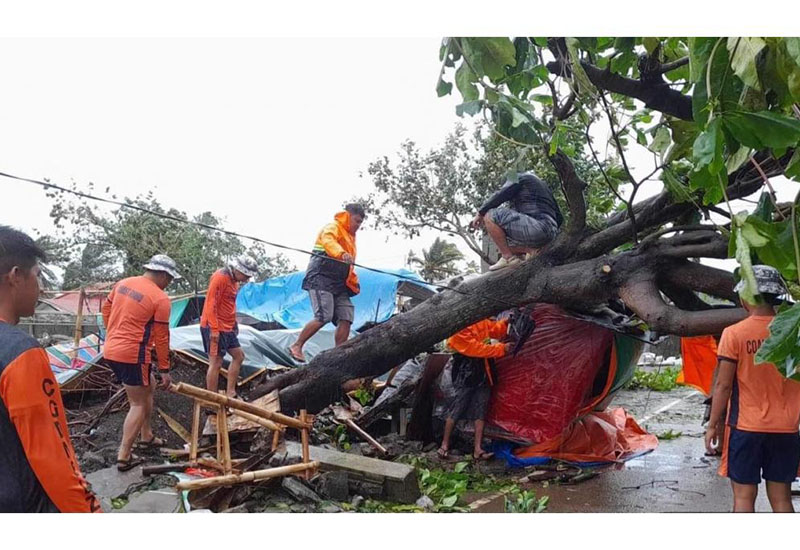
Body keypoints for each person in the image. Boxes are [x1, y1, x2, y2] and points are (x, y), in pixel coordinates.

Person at [0, 225, 101, 512]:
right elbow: (54, 461)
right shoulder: (20, 354)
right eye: (38, 275)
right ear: (15, 276)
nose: (41, 287)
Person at [705, 265, 800, 512]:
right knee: (782, 499)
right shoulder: (794, 333)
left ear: (746, 296)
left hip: (745, 428)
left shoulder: (734, 334)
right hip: (787, 429)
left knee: (744, 498)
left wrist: (713, 425)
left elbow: (723, 385)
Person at [101, 254, 180, 471]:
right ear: (163, 274)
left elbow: (106, 310)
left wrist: (114, 332)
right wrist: (165, 369)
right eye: (170, 279)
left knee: (149, 386)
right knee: (138, 403)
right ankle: (124, 456)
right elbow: (162, 337)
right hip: (134, 354)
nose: (169, 283)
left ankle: (147, 436)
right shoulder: (160, 299)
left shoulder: (123, 284)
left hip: (111, 350)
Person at [289, 204, 365, 363]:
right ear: (348, 216)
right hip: (320, 277)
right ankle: (297, 345)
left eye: (360, 223)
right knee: (324, 315)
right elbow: (328, 241)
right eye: (357, 221)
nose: (358, 226)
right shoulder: (333, 227)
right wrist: (340, 253)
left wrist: (353, 282)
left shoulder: (351, 239)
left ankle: (339, 354)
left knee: (346, 315)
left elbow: (349, 265)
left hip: (339, 284)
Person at [438, 317, 512, 461]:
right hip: (466, 372)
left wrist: (505, 323)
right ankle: (444, 445)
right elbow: (474, 348)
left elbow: (494, 331)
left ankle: (478, 449)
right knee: (457, 407)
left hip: (483, 371)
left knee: (481, 409)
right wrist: (502, 348)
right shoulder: (459, 326)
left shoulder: (480, 320)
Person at [470, 172, 563, 271]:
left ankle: (508, 258)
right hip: (551, 232)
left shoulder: (517, 176)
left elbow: (502, 193)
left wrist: (480, 213)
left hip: (537, 227)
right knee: (502, 241)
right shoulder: (543, 187)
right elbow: (560, 218)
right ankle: (531, 251)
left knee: (490, 215)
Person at [200, 254, 258, 398]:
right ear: (238, 269)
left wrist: (234, 323)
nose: (247, 279)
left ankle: (231, 392)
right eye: (246, 275)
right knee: (216, 362)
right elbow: (211, 303)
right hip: (214, 326)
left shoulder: (235, 282)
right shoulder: (220, 277)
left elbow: (229, 305)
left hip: (227, 327)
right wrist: (213, 329)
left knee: (239, 356)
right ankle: (212, 398)